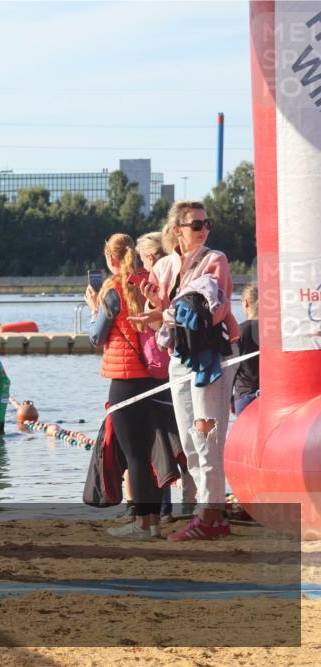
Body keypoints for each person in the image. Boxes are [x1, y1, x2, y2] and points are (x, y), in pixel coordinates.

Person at [132, 201, 240, 541]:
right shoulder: (164, 265)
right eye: (196, 224)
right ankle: (207, 515)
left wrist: (165, 311)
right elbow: (159, 316)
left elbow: (215, 311)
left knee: (208, 435)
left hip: (210, 354)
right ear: (178, 229)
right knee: (191, 439)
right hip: (179, 354)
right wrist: (155, 305)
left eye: (207, 223)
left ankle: (210, 516)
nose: (204, 228)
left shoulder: (214, 259)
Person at [86, 233, 170, 539]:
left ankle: (142, 525)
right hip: (155, 379)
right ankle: (155, 522)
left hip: (124, 381)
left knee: (134, 455)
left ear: (111, 258)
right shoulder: (148, 282)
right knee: (149, 454)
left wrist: (94, 307)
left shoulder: (113, 290)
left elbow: (96, 337)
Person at [135, 231, 195, 523]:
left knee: (157, 446)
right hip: (179, 369)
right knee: (183, 442)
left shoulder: (152, 285)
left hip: (156, 375)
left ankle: (163, 509)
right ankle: (190, 505)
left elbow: (151, 331)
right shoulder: (179, 277)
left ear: (148, 257)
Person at [233, 283, 260, 416]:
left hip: (245, 394)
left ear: (246, 303)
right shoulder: (273, 330)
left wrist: (229, 398)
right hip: (269, 395)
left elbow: (233, 366)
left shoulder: (239, 331)